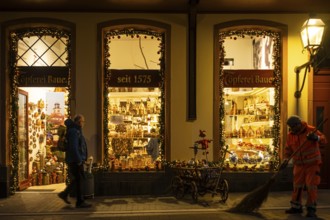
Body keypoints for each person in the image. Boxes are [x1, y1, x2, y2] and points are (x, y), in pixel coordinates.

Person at [281, 115, 327, 218]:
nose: (292, 129)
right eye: (291, 128)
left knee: (311, 186)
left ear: (299, 124)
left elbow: (324, 140)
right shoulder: (291, 135)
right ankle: (296, 207)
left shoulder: (311, 130)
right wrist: (285, 159)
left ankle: (311, 209)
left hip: (312, 164)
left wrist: (317, 138)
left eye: (293, 127)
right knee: (297, 186)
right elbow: (288, 149)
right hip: (299, 165)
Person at [58, 114, 92, 208]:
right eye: (82, 121)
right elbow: (74, 147)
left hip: (75, 159)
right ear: (78, 122)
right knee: (79, 179)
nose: (83, 123)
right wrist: (78, 160)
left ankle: (65, 194)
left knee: (78, 179)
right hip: (75, 160)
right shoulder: (74, 131)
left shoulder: (76, 130)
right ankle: (79, 201)